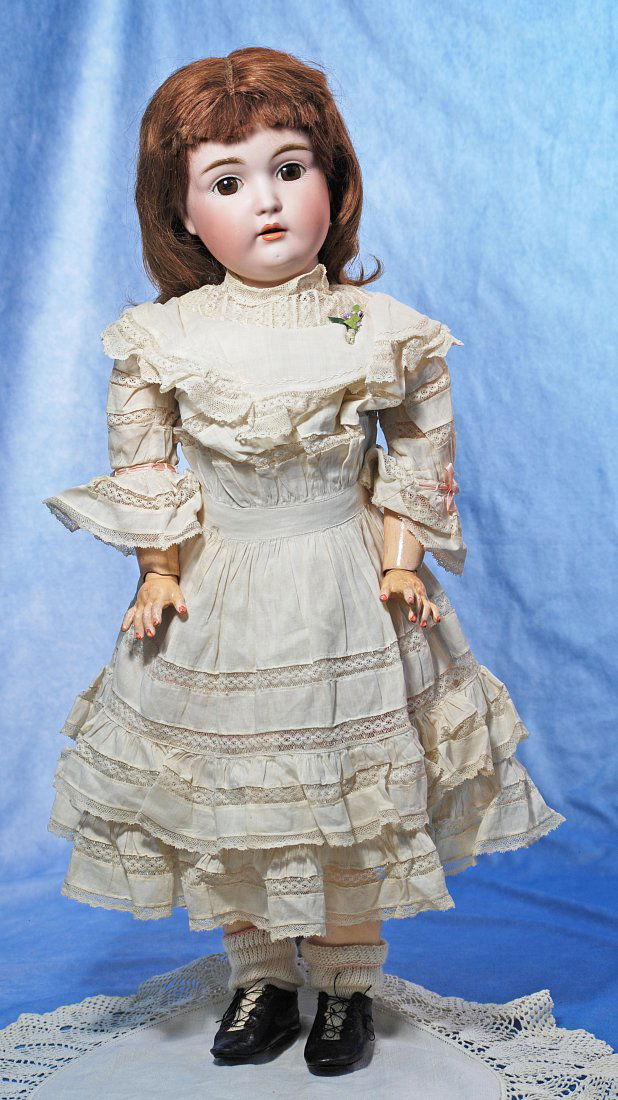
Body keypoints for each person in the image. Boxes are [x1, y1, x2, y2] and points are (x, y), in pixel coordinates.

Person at [43, 47, 566, 1074]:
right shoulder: (162, 337)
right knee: (231, 793)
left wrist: (403, 555)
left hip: (347, 584)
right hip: (220, 591)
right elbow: (143, 462)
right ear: (182, 212)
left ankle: (343, 983)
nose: (268, 201)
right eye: (227, 180)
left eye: (291, 168)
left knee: (348, 796)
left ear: (334, 178)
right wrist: (158, 571)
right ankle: (261, 975)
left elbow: (419, 444)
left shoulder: (374, 327)